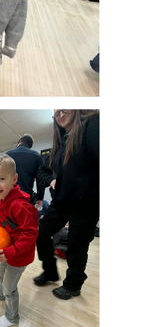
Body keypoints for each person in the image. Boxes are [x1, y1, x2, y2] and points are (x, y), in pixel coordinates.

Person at [33, 110, 99, 300]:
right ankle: (50, 272)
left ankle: (73, 285)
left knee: (77, 246)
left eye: (64, 109)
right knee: (42, 233)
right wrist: (51, 180)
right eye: (56, 113)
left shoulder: (92, 123)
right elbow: (42, 171)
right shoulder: (60, 144)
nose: (60, 115)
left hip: (85, 203)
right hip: (61, 202)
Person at [0, 153, 39, 327]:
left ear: (14, 179)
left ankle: (11, 317)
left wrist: (11, 251)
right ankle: (0, 293)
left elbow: (31, 233)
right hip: (9, 251)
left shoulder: (19, 206)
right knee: (1, 273)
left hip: (20, 255)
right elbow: (4, 223)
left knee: (10, 287)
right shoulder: (0, 202)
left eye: (1, 179)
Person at [5, 135, 48, 204]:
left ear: (20, 142)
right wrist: (40, 198)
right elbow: (40, 179)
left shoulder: (7, 155)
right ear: (30, 146)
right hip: (26, 197)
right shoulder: (36, 156)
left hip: (9, 196)